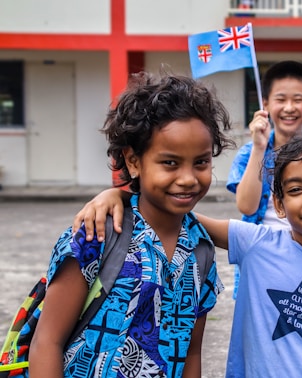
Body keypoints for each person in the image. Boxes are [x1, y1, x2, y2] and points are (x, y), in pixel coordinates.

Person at [72, 134, 302, 377]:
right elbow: (178, 213)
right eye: (296, 190)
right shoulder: (256, 243)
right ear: (279, 204)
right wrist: (121, 195)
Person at [30, 72, 233, 377]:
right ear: (133, 161)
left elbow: (191, 352)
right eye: (170, 163)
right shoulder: (97, 234)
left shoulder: (201, 249)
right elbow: (47, 342)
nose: (189, 178)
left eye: (201, 162)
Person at [226, 60, 302, 299]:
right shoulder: (249, 153)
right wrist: (260, 148)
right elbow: (246, 206)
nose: (289, 107)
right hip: (262, 259)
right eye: (281, 100)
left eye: (298, 100)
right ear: (266, 104)